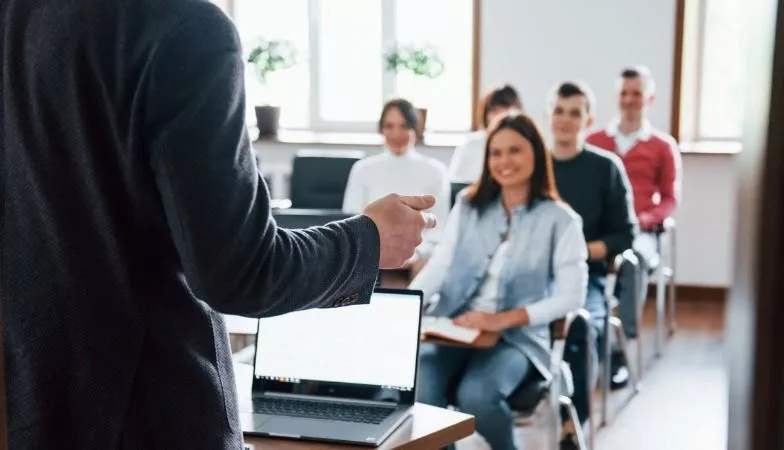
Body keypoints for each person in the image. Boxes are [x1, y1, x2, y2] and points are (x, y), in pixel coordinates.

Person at [2, 1, 437, 448]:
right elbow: (242, 273)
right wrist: (368, 240)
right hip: (150, 416)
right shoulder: (182, 27)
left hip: (34, 403)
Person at [410, 112, 588, 450]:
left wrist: (501, 319)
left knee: (476, 395)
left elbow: (571, 297)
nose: (504, 161)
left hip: (516, 338)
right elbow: (440, 266)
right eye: (496, 152)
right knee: (422, 389)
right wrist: (405, 308)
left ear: (536, 153)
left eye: (515, 151)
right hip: (453, 325)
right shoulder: (469, 205)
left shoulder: (561, 220)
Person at [547, 81, 637, 443]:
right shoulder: (532, 166)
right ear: (548, 116)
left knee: (581, 330)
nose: (565, 120)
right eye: (558, 111)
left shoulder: (606, 168)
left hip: (588, 278)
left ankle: (572, 426)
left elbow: (624, 236)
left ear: (589, 120)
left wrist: (578, 251)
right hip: (531, 276)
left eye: (574, 113)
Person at [586, 66, 683, 340]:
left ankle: (622, 343)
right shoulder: (595, 141)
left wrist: (646, 219)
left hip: (641, 230)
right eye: (624, 93)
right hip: (600, 229)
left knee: (633, 259)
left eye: (636, 94)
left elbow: (670, 198)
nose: (629, 100)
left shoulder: (663, 146)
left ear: (649, 98)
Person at [342, 98, 450, 261]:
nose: (396, 134)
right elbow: (351, 220)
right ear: (381, 129)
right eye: (389, 126)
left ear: (416, 128)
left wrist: (416, 254)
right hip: (372, 255)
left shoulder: (436, 171)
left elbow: (440, 228)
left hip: (419, 257)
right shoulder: (362, 169)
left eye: (404, 126)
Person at [448, 85, 523, 184]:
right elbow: (456, 183)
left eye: (506, 109)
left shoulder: (526, 142)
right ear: (486, 114)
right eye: (495, 110)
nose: (500, 116)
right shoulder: (471, 144)